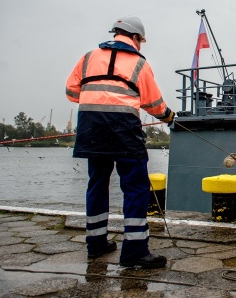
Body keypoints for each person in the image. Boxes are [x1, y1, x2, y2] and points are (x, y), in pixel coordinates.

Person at [65, 15, 175, 269]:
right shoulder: (139, 63)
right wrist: (168, 116)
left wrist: (98, 99)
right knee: (135, 188)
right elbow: (153, 102)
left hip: (92, 128)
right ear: (135, 38)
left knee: (97, 184)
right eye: (141, 41)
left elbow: (71, 92)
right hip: (124, 129)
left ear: (116, 33)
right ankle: (134, 252)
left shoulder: (88, 57)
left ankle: (96, 244)